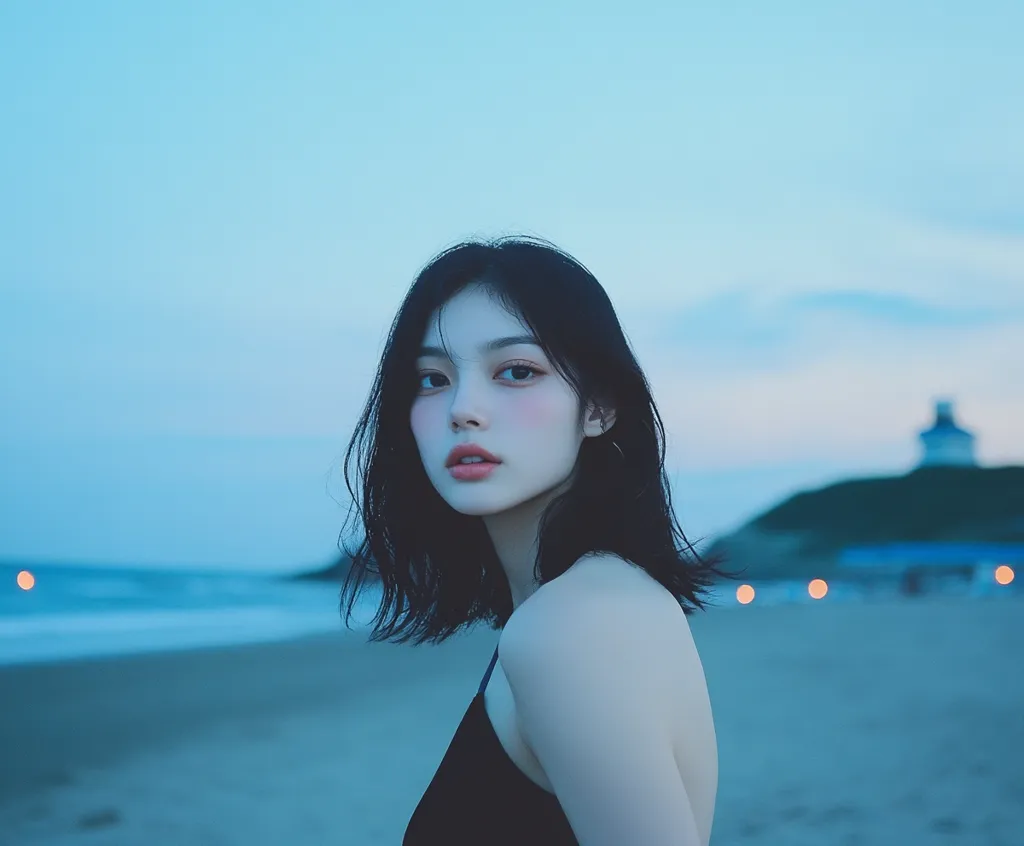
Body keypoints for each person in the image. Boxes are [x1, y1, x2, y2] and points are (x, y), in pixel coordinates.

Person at [338, 236, 736, 846]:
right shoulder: (599, 599)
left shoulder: (570, 627)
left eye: (517, 371)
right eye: (431, 378)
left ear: (599, 406)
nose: (463, 410)